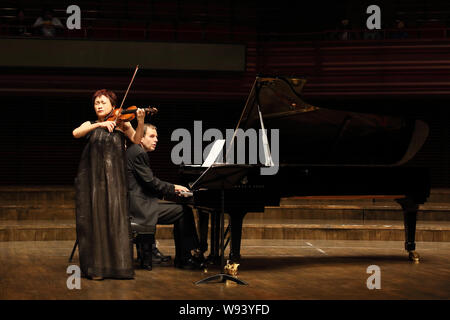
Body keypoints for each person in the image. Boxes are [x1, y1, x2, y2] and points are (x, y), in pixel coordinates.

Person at [73, 89, 145, 280]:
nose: (99, 105)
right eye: (96, 103)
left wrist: (141, 122)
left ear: (114, 106)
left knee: (115, 219)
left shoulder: (122, 123)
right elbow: (76, 133)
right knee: (95, 221)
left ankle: (118, 267)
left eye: (103, 102)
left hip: (115, 181)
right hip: (94, 183)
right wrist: (101, 124)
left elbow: (137, 141)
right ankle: (96, 268)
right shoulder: (91, 124)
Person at [126, 124, 204, 270]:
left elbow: (148, 182)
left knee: (180, 209)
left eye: (156, 136)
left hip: (137, 201)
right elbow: (151, 182)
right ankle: (185, 258)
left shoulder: (134, 151)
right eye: (151, 136)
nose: (156, 140)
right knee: (183, 211)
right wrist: (173, 188)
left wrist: (169, 190)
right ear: (141, 138)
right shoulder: (138, 153)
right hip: (138, 207)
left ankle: (186, 256)